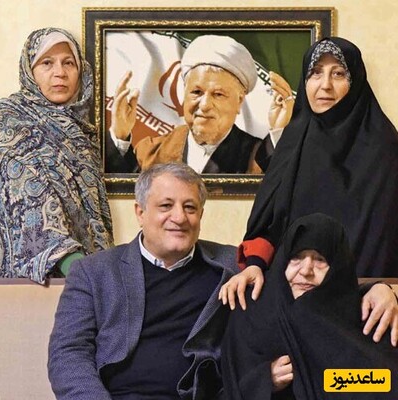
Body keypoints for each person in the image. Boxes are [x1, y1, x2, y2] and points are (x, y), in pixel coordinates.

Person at [219, 37, 398, 345]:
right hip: (292, 306)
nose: (324, 85)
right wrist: (254, 266)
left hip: (366, 310)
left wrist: (389, 288)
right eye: (315, 73)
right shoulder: (293, 142)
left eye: (338, 73)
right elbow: (269, 224)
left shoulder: (386, 149)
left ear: (355, 81)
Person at [48, 162, 240, 399]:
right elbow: (68, 353)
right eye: (166, 206)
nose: (179, 217)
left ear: (200, 215)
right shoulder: (93, 272)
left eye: (190, 207)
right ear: (140, 212)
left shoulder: (233, 266)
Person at [221, 213, 398, 399]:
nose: (306, 271)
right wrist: (266, 380)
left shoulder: (368, 313)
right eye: (296, 258)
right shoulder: (251, 313)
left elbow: (386, 381)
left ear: (338, 267)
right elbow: (227, 388)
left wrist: (327, 379)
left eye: (320, 260)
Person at [0, 27, 113, 285]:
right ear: (29, 71)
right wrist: (75, 267)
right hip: (34, 281)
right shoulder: (6, 121)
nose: (60, 72)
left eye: (68, 63)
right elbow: (25, 196)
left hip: (88, 278)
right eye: (47, 63)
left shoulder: (83, 135)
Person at [108, 34, 294, 173]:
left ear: (239, 102)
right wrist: (120, 135)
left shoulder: (257, 155)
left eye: (218, 94)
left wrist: (279, 130)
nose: (204, 105)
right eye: (196, 92)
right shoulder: (150, 151)